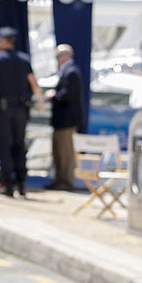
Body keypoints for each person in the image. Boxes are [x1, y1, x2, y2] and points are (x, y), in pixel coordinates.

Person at [0, 27, 44, 197]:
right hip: (20, 109)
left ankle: (7, 184)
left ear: (5, 41)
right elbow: (34, 84)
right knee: (19, 145)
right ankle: (21, 182)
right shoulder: (24, 59)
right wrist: (40, 102)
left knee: (4, 146)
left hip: (3, 110)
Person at [45, 43, 84, 190]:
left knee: (66, 152)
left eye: (58, 56)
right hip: (61, 120)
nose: (57, 59)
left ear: (67, 55)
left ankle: (66, 180)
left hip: (67, 120)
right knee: (58, 152)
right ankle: (59, 178)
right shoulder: (66, 71)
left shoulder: (72, 72)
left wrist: (53, 96)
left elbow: (67, 95)